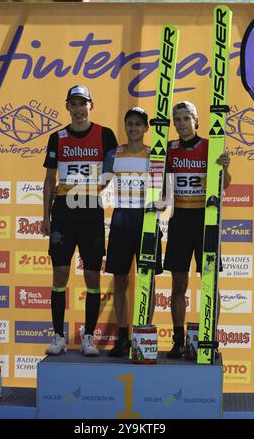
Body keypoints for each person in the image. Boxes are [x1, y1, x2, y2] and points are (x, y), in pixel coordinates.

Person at [42, 85, 117, 356]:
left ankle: (88, 337)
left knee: (92, 276)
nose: (78, 108)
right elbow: (50, 180)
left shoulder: (105, 135)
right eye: (73, 103)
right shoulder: (57, 137)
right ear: (67, 107)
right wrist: (45, 216)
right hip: (63, 213)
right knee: (60, 274)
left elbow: (114, 171)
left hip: (90, 212)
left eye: (82, 103)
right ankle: (59, 336)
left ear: (91, 105)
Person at [163, 101, 231, 359]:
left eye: (185, 119)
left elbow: (224, 185)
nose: (181, 124)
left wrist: (224, 166)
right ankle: (178, 340)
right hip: (180, 221)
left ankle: (209, 338)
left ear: (196, 120)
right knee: (178, 284)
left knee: (210, 283)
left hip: (206, 221)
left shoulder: (209, 145)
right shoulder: (170, 148)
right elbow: (161, 184)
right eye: (177, 120)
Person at [104, 107, 163, 357]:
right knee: (120, 279)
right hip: (121, 219)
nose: (134, 128)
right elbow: (96, 186)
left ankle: (143, 333)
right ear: (125, 126)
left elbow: (165, 191)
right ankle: (122, 335)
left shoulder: (155, 155)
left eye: (139, 124)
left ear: (146, 128)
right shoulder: (113, 154)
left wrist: (160, 205)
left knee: (147, 280)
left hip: (147, 220)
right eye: (130, 123)